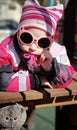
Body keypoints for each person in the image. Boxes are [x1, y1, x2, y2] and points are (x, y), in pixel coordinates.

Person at [0, 0, 74, 92]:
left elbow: (66, 78)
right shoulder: (7, 49)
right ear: (18, 32)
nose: (33, 48)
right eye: (27, 38)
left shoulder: (56, 51)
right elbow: (2, 81)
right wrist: (36, 80)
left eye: (43, 42)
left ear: (51, 40)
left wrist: (51, 67)